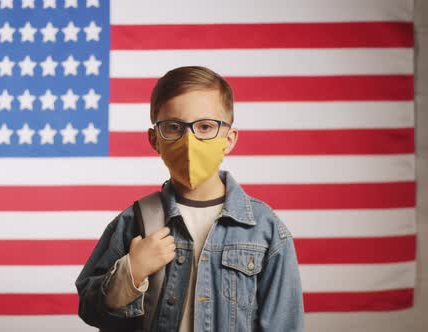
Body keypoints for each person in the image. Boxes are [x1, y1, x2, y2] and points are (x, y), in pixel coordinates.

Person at [75, 66, 304, 331]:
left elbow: (284, 325)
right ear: (155, 140)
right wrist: (132, 272)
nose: (189, 141)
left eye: (205, 127)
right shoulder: (134, 221)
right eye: (173, 127)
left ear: (228, 139)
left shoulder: (265, 230)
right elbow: (90, 310)